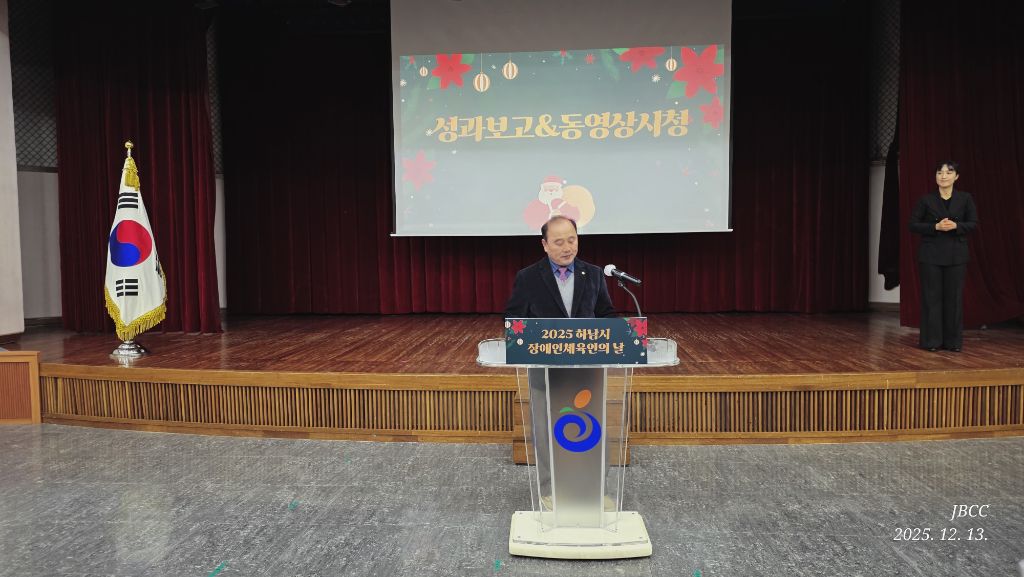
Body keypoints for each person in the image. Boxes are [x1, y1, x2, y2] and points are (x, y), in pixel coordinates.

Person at [505, 215, 616, 512]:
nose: (567, 247)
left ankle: (598, 489)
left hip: (586, 369)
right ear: (544, 245)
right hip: (544, 369)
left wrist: (615, 333)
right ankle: (549, 490)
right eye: (559, 242)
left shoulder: (594, 274)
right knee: (545, 431)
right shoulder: (528, 278)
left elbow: (606, 314)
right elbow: (514, 320)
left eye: (572, 240)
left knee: (593, 428)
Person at [908, 161, 978, 352]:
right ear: (935, 176)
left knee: (954, 299)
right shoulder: (926, 200)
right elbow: (913, 224)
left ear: (956, 177)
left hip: (957, 255)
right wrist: (935, 226)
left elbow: (973, 223)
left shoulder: (965, 198)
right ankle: (931, 341)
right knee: (932, 298)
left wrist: (957, 226)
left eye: (948, 172)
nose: (943, 176)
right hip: (931, 255)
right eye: (939, 172)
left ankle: (953, 342)